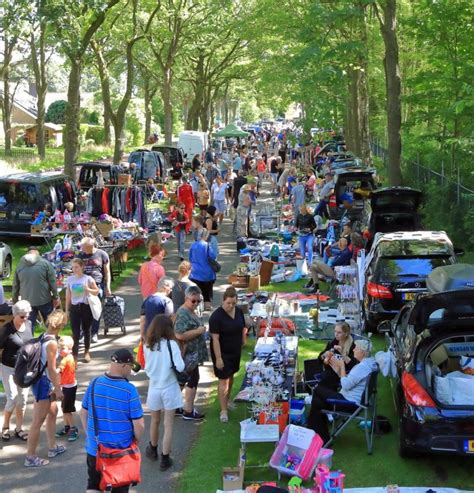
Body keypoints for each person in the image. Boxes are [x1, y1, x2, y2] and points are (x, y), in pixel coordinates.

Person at [80, 349, 145, 492]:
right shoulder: (129, 390)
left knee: (93, 485)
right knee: (120, 488)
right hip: (120, 452)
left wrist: (90, 435)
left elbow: (83, 412)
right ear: (124, 366)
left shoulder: (95, 382)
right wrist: (136, 439)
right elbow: (139, 424)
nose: (130, 371)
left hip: (95, 449)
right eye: (130, 367)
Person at [307, 339, 377, 443]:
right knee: (317, 403)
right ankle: (320, 437)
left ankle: (317, 436)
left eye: (356, 348)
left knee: (317, 390)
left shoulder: (361, 367)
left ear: (362, 352)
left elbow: (345, 385)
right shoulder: (369, 364)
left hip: (349, 403)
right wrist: (339, 371)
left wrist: (342, 366)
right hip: (354, 400)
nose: (353, 350)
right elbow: (350, 380)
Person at [25, 309, 68, 467]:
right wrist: (58, 388)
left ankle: (52, 447)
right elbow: (51, 368)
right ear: (61, 325)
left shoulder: (44, 336)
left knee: (53, 412)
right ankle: (30, 457)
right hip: (44, 383)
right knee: (37, 421)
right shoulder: (52, 343)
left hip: (44, 382)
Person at [144, 315, 184, 470]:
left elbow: (147, 368)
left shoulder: (148, 345)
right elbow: (180, 367)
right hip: (170, 387)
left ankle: (153, 449)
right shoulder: (172, 345)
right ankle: (165, 458)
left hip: (154, 387)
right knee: (168, 424)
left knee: (154, 421)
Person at [209, 287, 247, 423]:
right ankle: (223, 410)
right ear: (223, 301)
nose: (231, 306)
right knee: (223, 379)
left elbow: (243, 326)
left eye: (233, 303)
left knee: (231, 376)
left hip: (235, 350)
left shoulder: (239, 312)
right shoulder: (216, 317)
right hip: (222, 352)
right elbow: (215, 339)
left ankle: (227, 399)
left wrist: (243, 338)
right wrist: (218, 358)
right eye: (228, 303)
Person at [0, 300, 33, 442]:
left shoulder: (29, 325)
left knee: (23, 399)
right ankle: (5, 426)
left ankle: (19, 428)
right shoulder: (6, 329)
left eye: (27, 315)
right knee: (12, 397)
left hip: (24, 368)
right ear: (14, 315)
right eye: (22, 316)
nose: (25, 319)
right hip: (8, 367)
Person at [174, 286, 207, 421]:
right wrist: (199, 331)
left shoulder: (191, 311)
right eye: (193, 301)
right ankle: (188, 410)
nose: (196, 304)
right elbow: (179, 334)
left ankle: (174, 406)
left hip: (192, 353)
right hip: (188, 354)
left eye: (198, 301)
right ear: (186, 299)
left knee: (182, 379)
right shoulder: (183, 313)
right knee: (192, 379)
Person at [12, 246, 60, 332]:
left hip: (27, 302)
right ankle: (51, 342)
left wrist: (15, 301)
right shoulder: (45, 264)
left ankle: (29, 344)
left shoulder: (19, 266)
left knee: (29, 326)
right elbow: (52, 282)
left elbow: (15, 285)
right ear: (37, 254)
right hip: (45, 300)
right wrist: (56, 297)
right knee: (50, 323)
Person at [65, 258, 100, 363]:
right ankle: (74, 356)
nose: (74, 269)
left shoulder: (88, 279)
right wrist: (67, 309)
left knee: (86, 330)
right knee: (75, 333)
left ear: (82, 267)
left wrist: (88, 289)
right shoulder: (70, 280)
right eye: (73, 267)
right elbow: (68, 295)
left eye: (76, 267)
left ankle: (86, 352)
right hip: (75, 308)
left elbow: (97, 291)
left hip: (86, 307)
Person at [78, 237, 112, 343]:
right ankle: (84, 333)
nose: (81, 249)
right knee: (82, 310)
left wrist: (107, 286)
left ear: (90, 247)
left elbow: (107, 272)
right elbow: (75, 269)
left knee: (96, 310)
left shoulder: (102, 254)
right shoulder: (80, 255)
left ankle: (94, 333)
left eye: (83, 247)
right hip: (82, 285)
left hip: (97, 285)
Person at [309, 322, 357, 390]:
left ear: (346, 334)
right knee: (318, 374)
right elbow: (319, 359)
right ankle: (319, 391)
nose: (336, 334)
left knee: (326, 378)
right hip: (329, 371)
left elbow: (353, 365)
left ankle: (319, 391)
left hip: (342, 374)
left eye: (339, 332)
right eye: (335, 331)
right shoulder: (333, 343)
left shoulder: (352, 346)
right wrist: (324, 355)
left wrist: (342, 354)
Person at [55, 336, 79, 441]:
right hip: (67, 386)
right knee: (64, 408)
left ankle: (73, 429)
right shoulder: (70, 357)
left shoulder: (65, 360)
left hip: (69, 387)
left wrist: (50, 370)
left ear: (70, 349)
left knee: (67, 410)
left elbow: (57, 371)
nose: (60, 350)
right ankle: (67, 427)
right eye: (59, 348)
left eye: (62, 348)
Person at [189, 229, 217, 312]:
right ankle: (207, 304)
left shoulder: (193, 245)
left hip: (195, 272)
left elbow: (190, 258)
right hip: (207, 272)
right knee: (207, 289)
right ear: (204, 236)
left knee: (196, 290)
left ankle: (195, 305)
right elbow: (213, 256)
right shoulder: (207, 245)